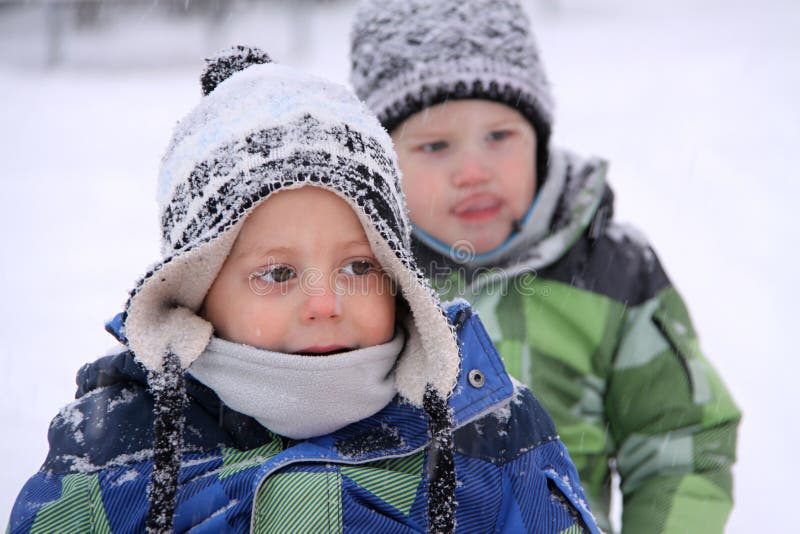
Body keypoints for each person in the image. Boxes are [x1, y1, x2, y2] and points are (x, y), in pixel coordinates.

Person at [8, 46, 600, 533]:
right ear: (194, 291)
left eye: (359, 268)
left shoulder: (485, 426)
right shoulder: (114, 451)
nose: (324, 304)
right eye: (277, 274)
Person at [349, 1, 741, 532]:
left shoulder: (613, 272)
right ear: (384, 162)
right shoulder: (357, 281)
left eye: (500, 136)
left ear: (539, 141)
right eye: (436, 145)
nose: (473, 171)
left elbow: (680, 442)